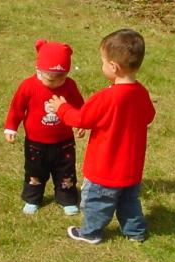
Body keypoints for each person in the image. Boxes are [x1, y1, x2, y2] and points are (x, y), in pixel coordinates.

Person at [48, 29, 155, 244]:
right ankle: (135, 233)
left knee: (96, 202)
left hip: (105, 168)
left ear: (113, 67)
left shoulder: (106, 97)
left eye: (103, 62)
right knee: (129, 202)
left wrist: (61, 108)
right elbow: (149, 116)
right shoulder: (141, 92)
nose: (102, 66)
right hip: (131, 168)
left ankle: (90, 233)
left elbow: (81, 119)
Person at [4, 40, 85, 215]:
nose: (56, 83)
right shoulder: (28, 86)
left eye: (61, 78)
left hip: (64, 142)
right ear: (38, 70)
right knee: (35, 171)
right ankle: (33, 198)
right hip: (35, 142)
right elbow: (16, 108)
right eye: (51, 79)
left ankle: (67, 198)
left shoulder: (69, 86)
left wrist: (81, 122)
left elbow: (79, 105)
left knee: (66, 171)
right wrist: (11, 127)